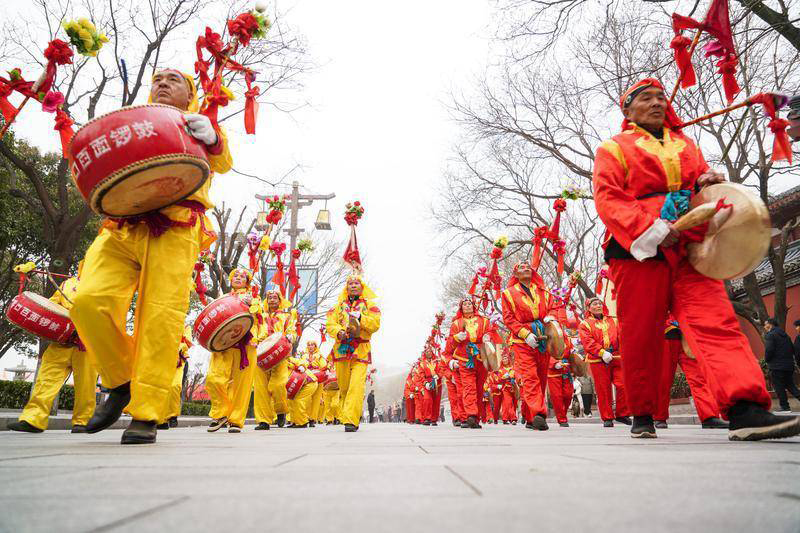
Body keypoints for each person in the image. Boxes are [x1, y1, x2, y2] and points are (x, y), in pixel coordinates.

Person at [592, 77, 798, 440]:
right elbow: (608, 198)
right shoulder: (613, 149)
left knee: (717, 321)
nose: (657, 103)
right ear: (627, 109)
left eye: (661, 97)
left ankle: (744, 408)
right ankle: (642, 411)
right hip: (639, 250)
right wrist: (651, 228)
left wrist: (707, 181)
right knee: (641, 333)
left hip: (690, 246)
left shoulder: (686, 144)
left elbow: (699, 186)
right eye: (646, 98)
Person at [71, 69, 232, 444]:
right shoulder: (134, 124)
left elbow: (223, 161)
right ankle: (121, 381)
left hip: (175, 224)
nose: (162, 83)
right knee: (87, 300)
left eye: (174, 80)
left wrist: (213, 138)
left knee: (160, 317)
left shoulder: (199, 124)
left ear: (190, 95)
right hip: (123, 223)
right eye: (158, 79)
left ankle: (146, 413)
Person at [9, 274, 98, 434]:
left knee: (86, 385)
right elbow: (50, 307)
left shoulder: (104, 283)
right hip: (60, 343)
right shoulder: (67, 284)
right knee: (46, 380)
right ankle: (33, 419)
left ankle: (82, 422)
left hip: (87, 344)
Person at [205, 268, 262, 433]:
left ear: (247, 282)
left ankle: (235, 420)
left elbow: (259, 319)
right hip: (224, 344)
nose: (238, 278)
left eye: (242, 276)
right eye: (235, 275)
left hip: (246, 345)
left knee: (241, 385)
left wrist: (251, 304)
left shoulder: (254, 298)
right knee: (214, 378)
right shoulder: (223, 298)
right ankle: (220, 414)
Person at [501, 262, 555, 431]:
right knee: (530, 378)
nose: (525, 268)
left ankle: (531, 417)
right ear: (516, 274)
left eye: (527, 266)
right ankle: (539, 414)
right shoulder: (508, 294)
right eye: (521, 267)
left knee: (541, 378)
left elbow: (555, 308)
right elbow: (508, 318)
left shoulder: (544, 291)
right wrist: (525, 334)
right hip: (522, 342)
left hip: (544, 338)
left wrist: (552, 317)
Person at [325, 275, 381, 432]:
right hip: (342, 350)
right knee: (344, 388)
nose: (353, 286)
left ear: (362, 287)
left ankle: (350, 420)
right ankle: (347, 415)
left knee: (356, 386)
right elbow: (330, 324)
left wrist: (361, 317)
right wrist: (339, 332)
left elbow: (375, 324)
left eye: (357, 283)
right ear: (346, 287)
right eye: (350, 283)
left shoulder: (370, 306)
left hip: (360, 351)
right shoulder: (338, 307)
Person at [656, 321, 727, 429]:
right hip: (666, 335)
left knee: (699, 378)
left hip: (687, 336)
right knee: (663, 379)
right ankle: (659, 417)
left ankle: (709, 416)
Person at [578, 298, 631, 428]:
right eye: (594, 304)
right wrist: (602, 352)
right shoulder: (585, 324)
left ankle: (622, 414)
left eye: (600, 303)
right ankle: (607, 417)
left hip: (616, 357)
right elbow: (588, 342)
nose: (598, 306)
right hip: (597, 360)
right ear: (589, 308)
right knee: (603, 389)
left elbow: (621, 336)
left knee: (623, 384)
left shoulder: (613, 320)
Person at [447, 297, 497, 429]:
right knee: (469, 388)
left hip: (481, 357)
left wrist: (487, 336)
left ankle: (476, 416)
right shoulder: (456, 324)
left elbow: (490, 332)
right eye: (465, 304)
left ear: (473, 306)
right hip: (465, 359)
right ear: (461, 308)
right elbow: (450, 343)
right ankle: (471, 415)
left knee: (479, 388)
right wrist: (457, 337)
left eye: (469, 304)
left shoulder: (484, 321)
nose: (468, 306)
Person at [254, 284, 297, 430]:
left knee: (278, 385)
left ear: (280, 300)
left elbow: (291, 331)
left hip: (280, 355)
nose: (272, 300)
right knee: (261, 389)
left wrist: (291, 336)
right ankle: (263, 421)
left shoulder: (287, 316)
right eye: (269, 298)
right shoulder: (259, 316)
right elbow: (254, 330)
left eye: (275, 298)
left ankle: (280, 411)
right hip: (260, 355)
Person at [158, 324, 192, 430]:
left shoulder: (186, 327)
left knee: (175, 386)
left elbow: (187, 343)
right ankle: (162, 419)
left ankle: (172, 416)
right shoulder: (163, 324)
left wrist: (176, 350)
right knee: (162, 388)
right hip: (162, 360)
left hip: (179, 362)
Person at [764, 318, 800, 413]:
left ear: (770, 324)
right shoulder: (785, 335)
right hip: (788, 365)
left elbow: (769, 350)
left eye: (765, 324)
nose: (764, 326)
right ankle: (785, 406)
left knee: (779, 386)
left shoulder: (770, 335)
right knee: (790, 385)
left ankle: (784, 407)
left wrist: (767, 360)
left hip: (776, 366)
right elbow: (792, 349)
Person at [285, 352, 319, 428]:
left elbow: (303, 361)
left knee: (298, 400)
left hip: (309, 383)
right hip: (298, 385)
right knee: (291, 401)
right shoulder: (277, 366)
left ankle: (302, 422)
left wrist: (302, 366)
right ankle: (295, 421)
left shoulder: (290, 359)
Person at [547, 334, 574, 427]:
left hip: (566, 370)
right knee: (557, 396)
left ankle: (563, 413)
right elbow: (545, 353)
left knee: (568, 394)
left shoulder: (568, 339)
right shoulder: (549, 338)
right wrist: (554, 363)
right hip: (554, 372)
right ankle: (562, 419)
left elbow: (572, 353)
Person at [305, 339, 327, 426]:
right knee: (307, 399)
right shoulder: (304, 356)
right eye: (309, 345)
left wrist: (317, 367)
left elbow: (324, 365)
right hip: (307, 379)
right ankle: (305, 417)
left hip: (318, 379)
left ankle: (312, 419)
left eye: (312, 345)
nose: (310, 346)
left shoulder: (319, 356)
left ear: (315, 346)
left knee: (316, 399)